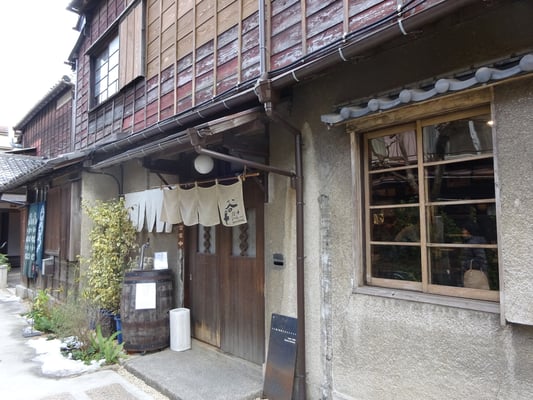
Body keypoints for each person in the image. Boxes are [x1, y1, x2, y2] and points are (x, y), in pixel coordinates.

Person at [460, 221, 489, 290]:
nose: (462, 232)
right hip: (473, 271)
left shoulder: (474, 242)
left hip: (474, 272)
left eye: (464, 230)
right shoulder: (470, 241)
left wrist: (466, 264)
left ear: (469, 231)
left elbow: (481, 259)